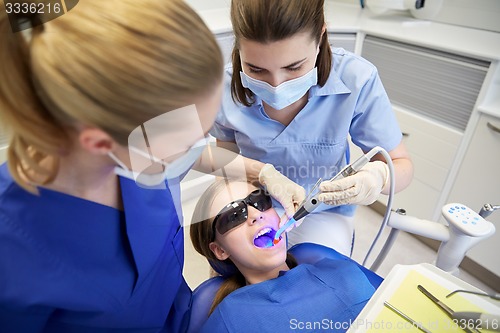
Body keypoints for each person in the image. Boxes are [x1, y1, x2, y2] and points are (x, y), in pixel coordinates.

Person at [0, 0, 224, 331]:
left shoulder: (137, 158)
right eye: (184, 143)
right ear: (99, 142)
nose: (196, 149)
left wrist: (260, 173)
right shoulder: (13, 254)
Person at [210, 0, 414, 256]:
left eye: (294, 67)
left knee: (318, 276)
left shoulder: (357, 78)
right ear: (238, 47)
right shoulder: (224, 88)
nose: (276, 85)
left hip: (323, 214)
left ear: (321, 36)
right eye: (256, 69)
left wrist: (379, 177)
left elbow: (401, 164)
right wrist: (234, 214)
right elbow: (224, 164)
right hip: (255, 209)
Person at [189, 179, 381, 332]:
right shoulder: (229, 319)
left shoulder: (335, 268)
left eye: (259, 201)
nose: (256, 214)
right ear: (220, 250)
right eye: (233, 215)